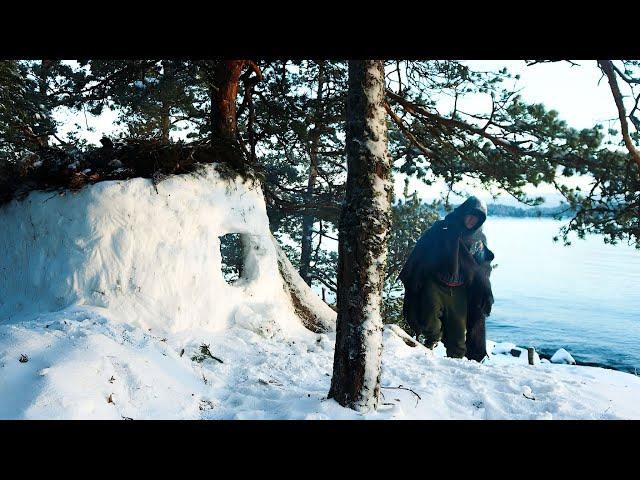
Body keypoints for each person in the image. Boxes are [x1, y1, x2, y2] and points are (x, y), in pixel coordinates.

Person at [398, 196, 495, 360]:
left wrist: (484, 289)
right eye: (470, 215)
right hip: (435, 284)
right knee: (429, 322)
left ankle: (455, 368)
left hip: (459, 290)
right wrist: (415, 276)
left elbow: (481, 267)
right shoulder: (442, 228)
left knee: (457, 338)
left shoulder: (478, 240)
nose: (472, 220)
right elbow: (421, 251)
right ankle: (433, 339)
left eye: (477, 218)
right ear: (463, 212)